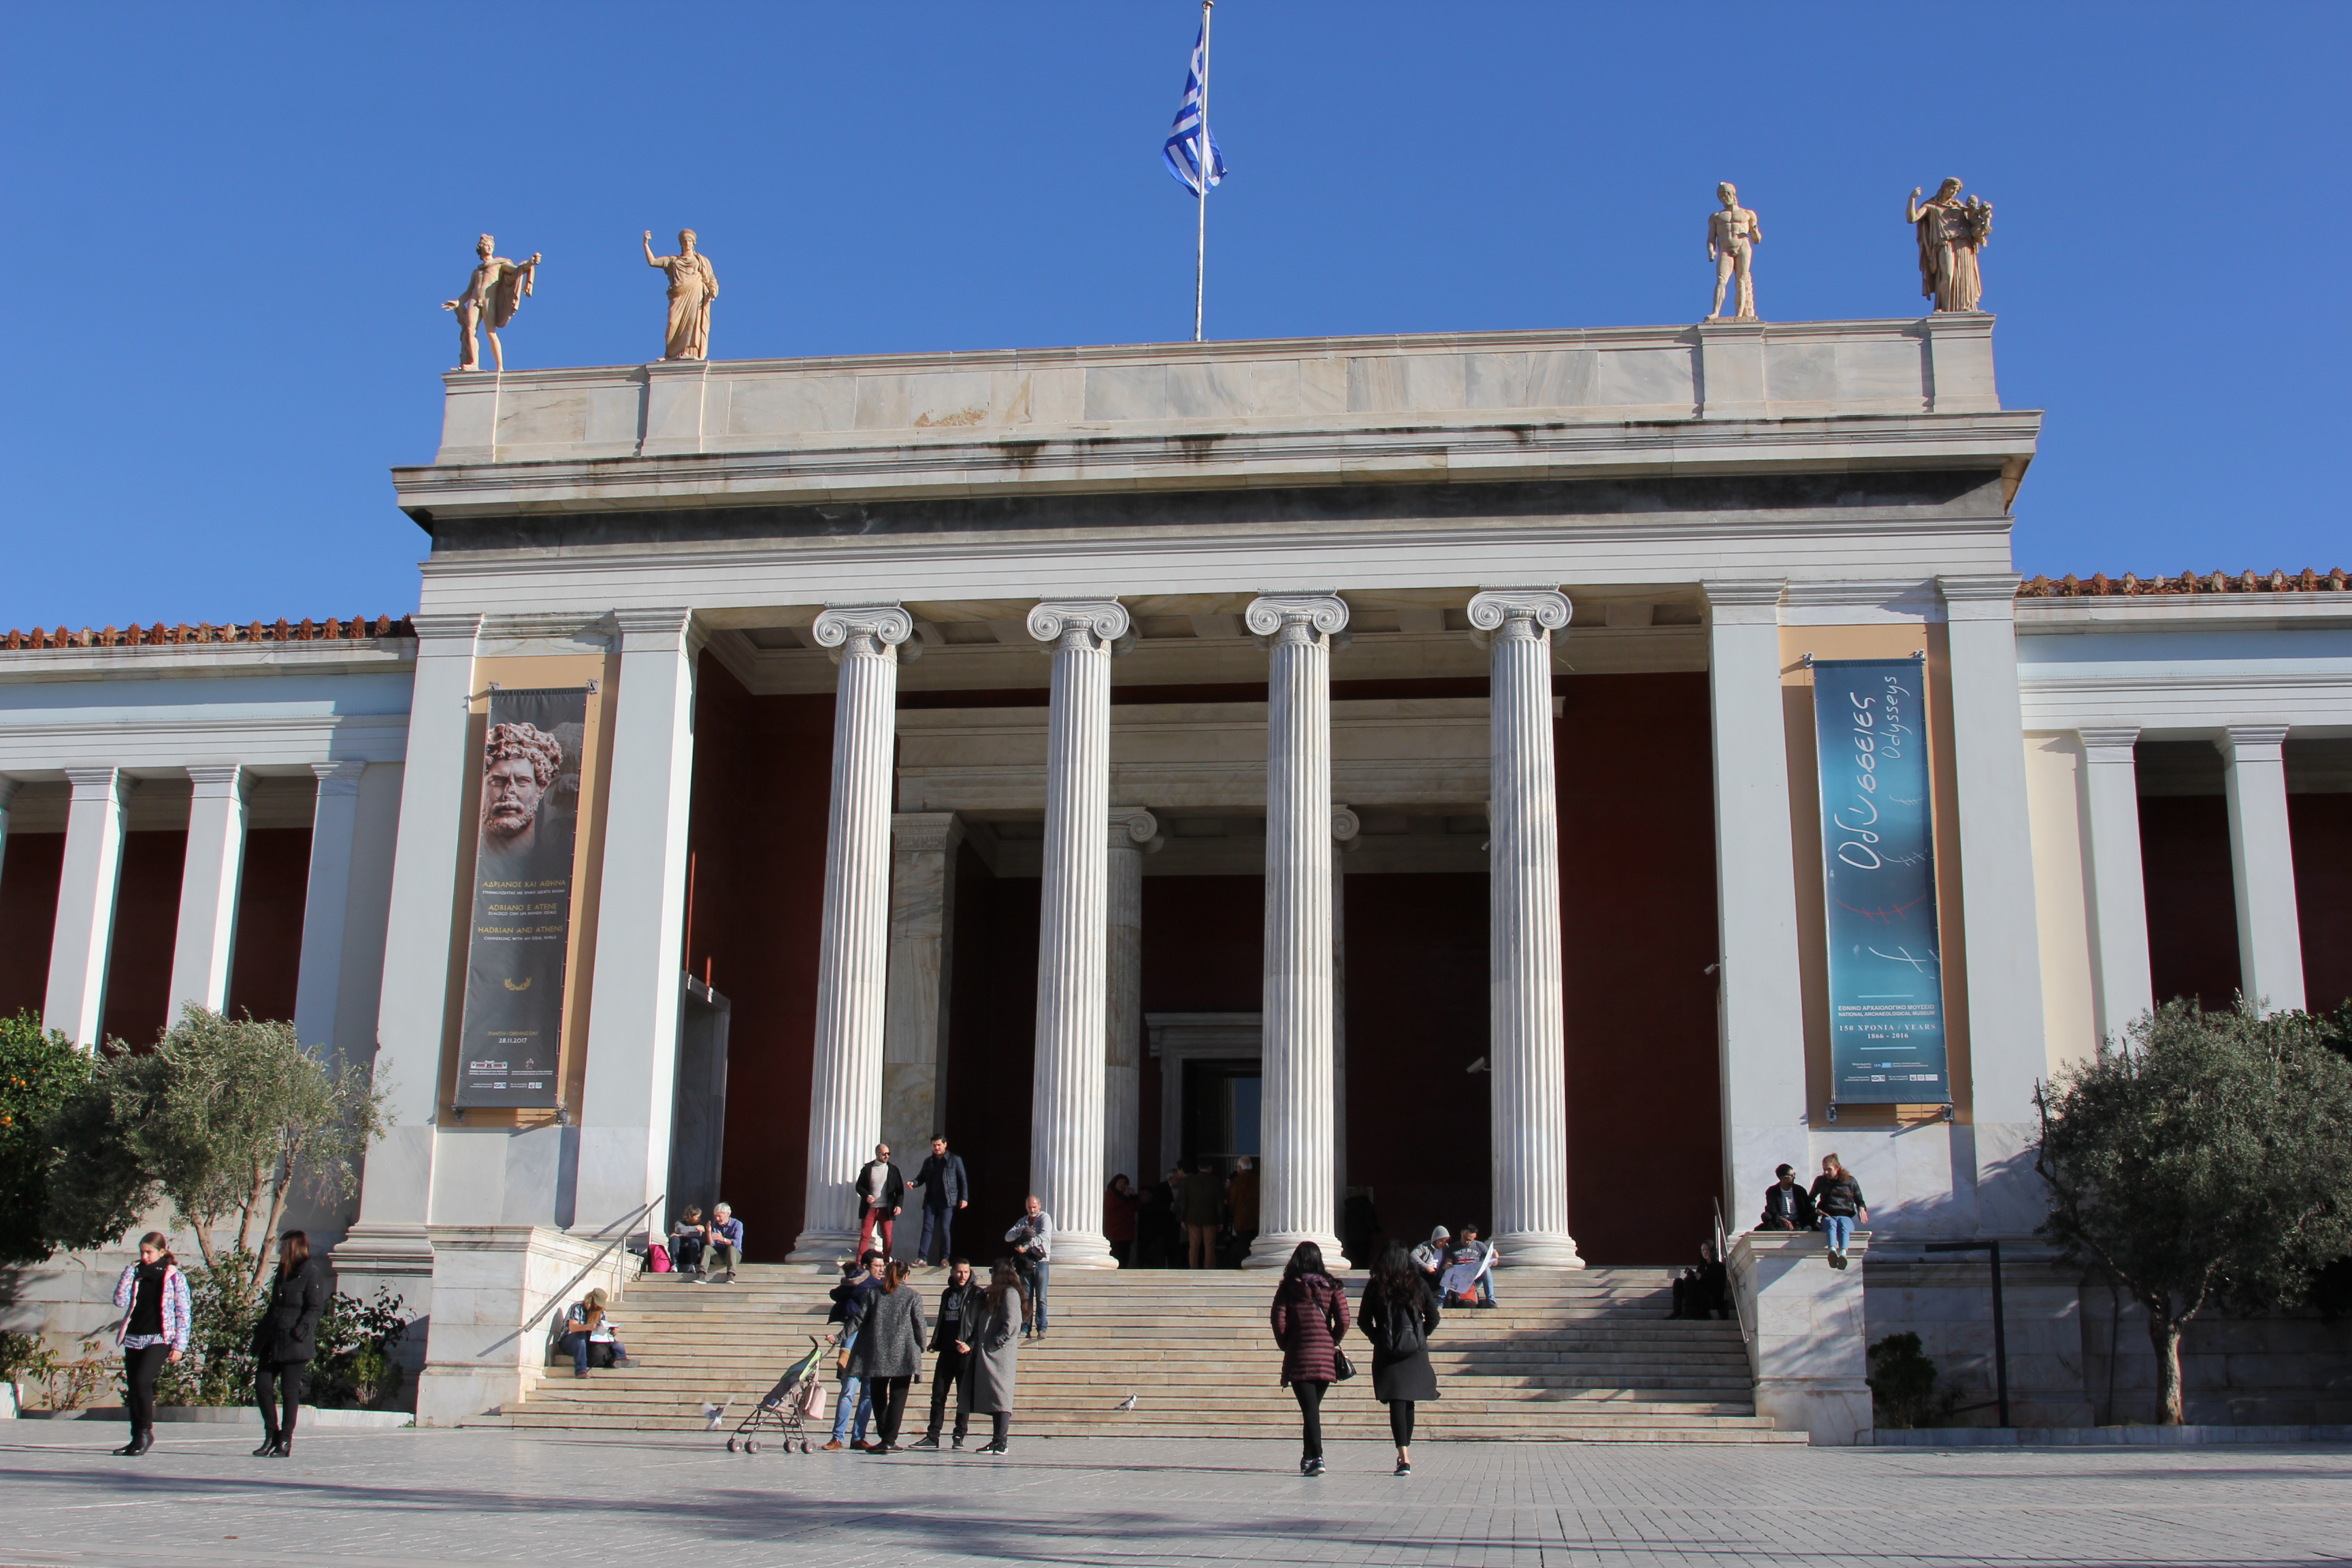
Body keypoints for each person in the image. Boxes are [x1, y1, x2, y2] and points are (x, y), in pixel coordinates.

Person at [1358, 1239, 1441, 1476]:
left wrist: (1380, 1339)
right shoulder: (1417, 1284)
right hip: (1415, 1353)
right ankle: (1405, 1453)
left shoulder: (1376, 1285)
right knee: (1409, 1401)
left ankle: (1403, 1454)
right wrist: (1419, 1337)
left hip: (1388, 1352)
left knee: (1397, 1401)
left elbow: (1364, 1321)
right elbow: (1433, 1317)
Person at [1269, 1241, 1351, 1476]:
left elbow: (1278, 1320)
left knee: (1310, 1409)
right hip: (1324, 1356)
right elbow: (1344, 1320)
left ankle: (1316, 1457)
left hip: (1299, 1354)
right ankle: (1308, 1457)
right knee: (1311, 1408)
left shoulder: (1287, 1287)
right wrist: (1331, 1340)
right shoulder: (1332, 1286)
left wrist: (1286, 1343)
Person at [110, 1232, 189, 1457]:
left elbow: (183, 1313)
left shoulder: (174, 1277)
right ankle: (136, 1436)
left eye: (149, 1252)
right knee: (134, 1387)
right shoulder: (136, 1274)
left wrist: (179, 1346)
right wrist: (128, 1274)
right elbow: (120, 1301)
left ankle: (146, 1432)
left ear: (162, 1252)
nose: (145, 1256)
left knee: (143, 1381)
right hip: (135, 1336)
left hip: (160, 1337)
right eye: (142, 1252)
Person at [251, 1230, 329, 1456]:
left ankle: (285, 1440)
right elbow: (273, 1306)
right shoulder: (282, 1274)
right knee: (263, 1385)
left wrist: (301, 1330)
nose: (279, 1250)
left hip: (295, 1341)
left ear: (293, 1248)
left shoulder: (311, 1275)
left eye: (283, 1246)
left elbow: (315, 1309)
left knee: (289, 1391)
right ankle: (271, 1434)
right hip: (273, 1338)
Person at [845, 1259, 928, 1454]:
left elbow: (858, 1319)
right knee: (898, 1397)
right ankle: (890, 1439)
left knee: (878, 1395)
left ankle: (885, 1436)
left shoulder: (874, 1295)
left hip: (877, 1355)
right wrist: (923, 1345)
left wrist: (841, 1336)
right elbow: (920, 1324)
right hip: (904, 1354)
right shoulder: (912, 1296)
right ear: (906, 1275)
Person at [912, 1257, 983, 1449]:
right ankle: (933, 1435)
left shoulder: (977, 1294)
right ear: (952, 1273)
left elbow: (980, 1325)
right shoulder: (947, 1293)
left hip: (965, 1353)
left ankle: (959, 1435)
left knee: (963, 1397)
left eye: (966, 1272)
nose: (963, 1276)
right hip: (947, 1352)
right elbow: (943, 1318)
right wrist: (936, 1341)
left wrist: (970, 1344)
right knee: (938, 1395)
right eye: (959, 1272)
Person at [823, 1252, 881, 1450]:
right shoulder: (866, 1286)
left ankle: (858, 1437)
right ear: (866, 1267)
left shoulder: (878, 1287)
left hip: (874, 1342)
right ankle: (838, 1437)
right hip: (856, 1336)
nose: (881, 1269)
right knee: (848, 1390)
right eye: (877, 1266)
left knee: (868, 1393)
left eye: (883, 1265)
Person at [969, 1259, 1026, 1454]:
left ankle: (1002, 1441)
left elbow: (1013, 1323)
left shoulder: (1010, 1293)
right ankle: (996, 1439)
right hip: (992, 1353)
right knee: (996, 1396)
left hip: (1002, 1355)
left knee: (1002, 1396)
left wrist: (997, 1342)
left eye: (993, 1271)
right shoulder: (995, 1293)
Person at [912, 1135, 969, 1266]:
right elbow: (921, 1178)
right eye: (934, 1145)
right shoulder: (929, 1162)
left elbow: (963, 1180)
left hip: (947, 1201)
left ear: (945, 1145)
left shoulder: (954, 1160)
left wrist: (964, 1198)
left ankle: (945, 1258)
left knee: (944, 1228)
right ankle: (922, 1257)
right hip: (931, 1200)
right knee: (927, 1228)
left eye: (939, 1145)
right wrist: (913, 1183)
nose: (936, 1148)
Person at [1810, 1154, 1869, 1269]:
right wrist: (1817, 1211)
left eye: (1829, 1169)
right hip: (1828, 1214)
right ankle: (1832, 1250)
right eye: (1824, 1170)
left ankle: (1843, 1253)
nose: (1826, 1172)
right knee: (1831, 1224)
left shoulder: (1850, 1181)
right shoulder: (1821, 1181)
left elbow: (1859, 1200)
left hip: (1845, 1215)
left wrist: (1862, 1209)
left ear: (1837, 1168)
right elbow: (1810, 1199)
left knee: (1843, 1225)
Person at [1005, 1196, 1053, 1339]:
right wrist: (1021, 1230)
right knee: (1026, 1297)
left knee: (1041, 1297)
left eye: (1034, 1207)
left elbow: (1044, 1236)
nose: (1032, 1210)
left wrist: (1026, 1246)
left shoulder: (1045, 1218)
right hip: (1026, 1264)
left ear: (1040, 1205)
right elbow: (1007, 1237)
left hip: (1041, 1261)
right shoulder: (1023, 1221)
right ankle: (1025, 1328)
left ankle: (1041, 1328)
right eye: (1029, 1208)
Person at [559, 1286, 630, 1377]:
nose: (598, 1307)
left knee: (616, 1344)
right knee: (581, 1336)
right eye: (597, 1303)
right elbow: (572, 1327)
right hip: (570, 1341)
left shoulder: (601, 1312)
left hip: (590, 1341)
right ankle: (581, 1371)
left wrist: (612, 1332)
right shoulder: (578, 1307)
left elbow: (604, 1327)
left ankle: (620, 1359)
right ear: (591, 1300)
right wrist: (588, 1327)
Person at [855, 1143, 907, 1262]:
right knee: (865, 1235)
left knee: (888, 1236)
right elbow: (859, 1186)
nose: (886, 1156)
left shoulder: (893, 1170)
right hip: (870, 1208)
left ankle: (886, 1259)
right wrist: (866, 1195)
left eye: (888, 1154)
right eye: (884, 1154)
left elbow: (900, 1190)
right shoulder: (868, 1169)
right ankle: (859, 1261)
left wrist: (899, 1205)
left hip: (886, 1209)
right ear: (877, 1154)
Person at [1180, 1157, 1224, 1269]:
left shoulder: (1189, 1181)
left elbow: (1185, 1202)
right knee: (1209, 1247)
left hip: (1193, 1218)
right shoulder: (1216, 1181)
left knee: (1194, 1246)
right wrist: (1221, 1221)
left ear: (1199, 1168)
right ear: (1210, 1168)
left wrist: (1183, 1218)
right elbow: (1220, 1203)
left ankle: (1193, 1268)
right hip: (1210, 1219)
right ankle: (1208, 1270)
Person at [1670, 1242, 1731, 1320]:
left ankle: (1689, 1312)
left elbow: (1718, 1288)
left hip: (1711, 1299)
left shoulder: (1719, 1267)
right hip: (1699, 1296)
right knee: (1679, 1282)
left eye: (1707, 1250)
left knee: (1689, 1281)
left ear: (1712, 1251)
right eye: (1703, 1250)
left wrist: (1702, 1279)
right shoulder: (1702, 1267)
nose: (1705, 1252)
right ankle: (1677, 1312)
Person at [1759, 1164, 1816, 1231]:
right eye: (1791, 1176)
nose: (1794, 1177)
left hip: (1798, 1221)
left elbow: (1807, 1208)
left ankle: (1803, 1228)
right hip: (1781, 1221)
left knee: (1812, 1216)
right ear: (1783, 1178)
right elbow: (1771, 1209)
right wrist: (1782, 1219)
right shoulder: (1773, 1191)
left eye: (1794, 1175)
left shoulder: (1800, 1190)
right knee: (1766, 1216)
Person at [1456, 1223, 1500, 1307]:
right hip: (1461, 1279)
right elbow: (1448, 1262)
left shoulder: (1480, 1246)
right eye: (1466, 1239)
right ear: (1462, 1233)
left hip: (1475, 1279)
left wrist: (1495, 1258)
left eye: (1471, 1240)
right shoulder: (1454, 1248)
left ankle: (1491, 1300)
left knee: (1486, 1269)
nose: (1468, 1242)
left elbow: (1493, 1263)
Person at [1103, 1175, 1140, 1269]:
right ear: (1115, 1183)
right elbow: (1110, 1206)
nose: (1122, 1185)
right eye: (1120, 1182)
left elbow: (1137, 1207)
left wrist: (1134, 1195)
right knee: (1115, 1255)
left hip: (1126, 1233)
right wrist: (1124, 1197)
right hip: (1114, 1232)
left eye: (1124, 1183)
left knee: (1124, 1258)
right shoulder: (1110, 1193)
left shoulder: (1128, 1196)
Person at [1226, 1156, 1260, 1258]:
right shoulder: (1258, 1180)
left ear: (1240, 1167)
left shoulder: (1237, 1181)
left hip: (1242, 1222)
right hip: (1257, 1221)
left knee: (1243, 1248)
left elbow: (1232, 1201)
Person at [1410, 1226, 1452, 1303]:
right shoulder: (1425, 1246)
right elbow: (1413, 1255)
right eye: (1441, 1241)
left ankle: (1441, 1302)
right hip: (1424, 1276)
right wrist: (1427, 1267)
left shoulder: (1446, 1248)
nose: (1443, 1244)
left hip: (1437, 1277)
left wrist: (1446, 1265)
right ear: (1435, 1240)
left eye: (1445, 1241)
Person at [704, 1202, 743, 1283]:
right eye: (716, 1216)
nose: (717, 1219)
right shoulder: (715, 1225)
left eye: (719, 1216)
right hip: (720, 1255)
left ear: (728, 1214)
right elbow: (712, 1244)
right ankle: (702, 1274)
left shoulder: (737, 1224)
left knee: (731, 1248)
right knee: (707, 1248)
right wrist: (708, 1232)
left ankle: (731, 1275)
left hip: (734, 1255)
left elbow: (737, 1243)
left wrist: (723, 1240)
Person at [670, 1205, 707, 1275]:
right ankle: (675, 1264)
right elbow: (680, 1229)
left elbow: (697, 1234)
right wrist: (695, 1228)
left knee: (694, 1240)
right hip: (680, 1251)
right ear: (690, 1217)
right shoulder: (679, 1223)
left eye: (699, 1217)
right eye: (697, 1217)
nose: (699, 1219)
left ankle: (692, 1265)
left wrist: (680, 1234)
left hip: (693, 1252)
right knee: (674, 1239)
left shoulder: (701, 1225)